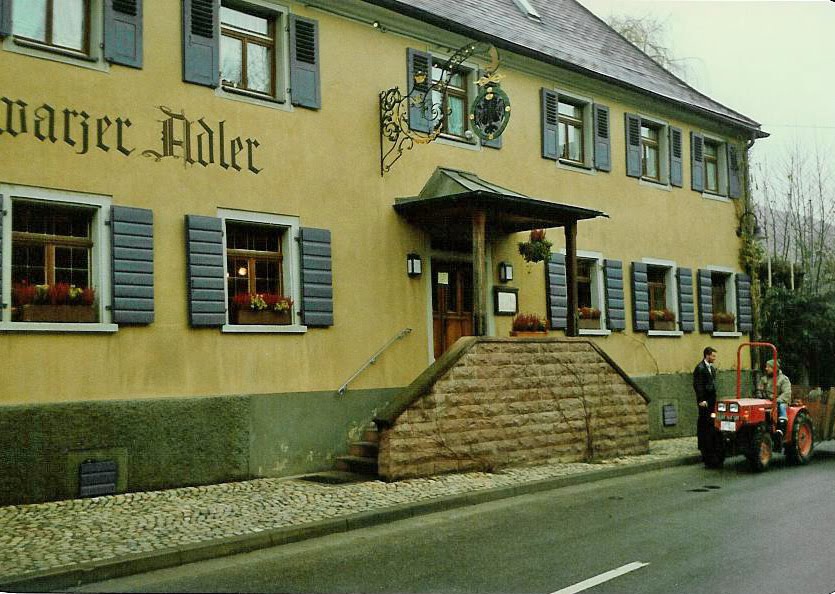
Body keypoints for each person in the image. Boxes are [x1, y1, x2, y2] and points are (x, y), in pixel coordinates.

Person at [757, 359, 792, 437]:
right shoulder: (763, 379)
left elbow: (786, 393)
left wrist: (777, 400)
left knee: (782, 407)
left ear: (774, 368)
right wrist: (759, 395)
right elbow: (759, 389)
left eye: (768, 367)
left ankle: (781, 429)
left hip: (780, 401)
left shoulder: (783, 379)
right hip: (766, 401)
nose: (766, 368)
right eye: (766, 367)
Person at [693, 347, 718, 452]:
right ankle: (703, 445)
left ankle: (710, 444)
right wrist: (701, 400)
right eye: (713, 356)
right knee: (704, 422)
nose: (714, 358)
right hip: (704, 402)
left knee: (711, 421)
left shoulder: (711, 368)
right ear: (707, 355)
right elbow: (698, 385)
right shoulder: (700, 368)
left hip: (711, 401)